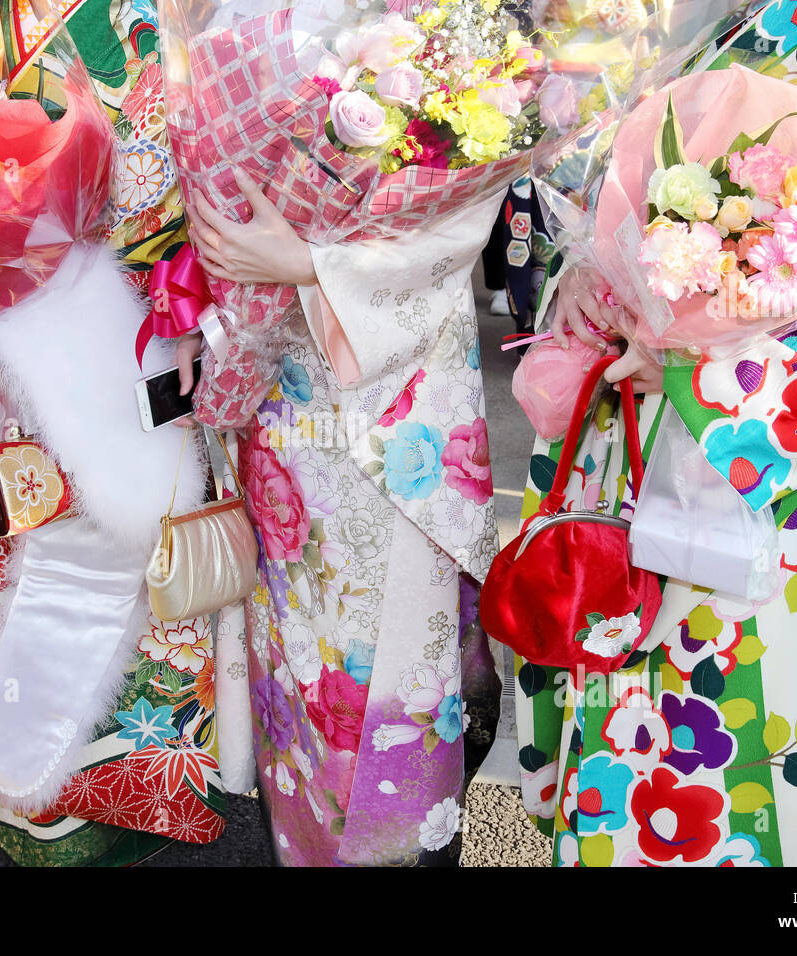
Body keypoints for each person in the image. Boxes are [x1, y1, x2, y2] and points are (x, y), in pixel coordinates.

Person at [512, 0, 797, 866]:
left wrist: (701, 374)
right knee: (608, 666)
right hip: (631, 418)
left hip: (737, 454)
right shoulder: (728, 23)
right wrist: (589, 289)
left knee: (717, 723)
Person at [0, 0, 227, 866]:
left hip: (132, 335)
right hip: (1, 355)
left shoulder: (162, 24)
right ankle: (25, 798)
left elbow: (190, 192)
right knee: (11, 555)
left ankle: (134, 795)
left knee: (135, 566)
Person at [182, 161, 505, 864]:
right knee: (294, 625)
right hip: (282, 379)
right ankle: (301, 837)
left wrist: (315, 264)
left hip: (395, 396)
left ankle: (395, 839)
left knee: (385, 625)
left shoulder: (455, 74)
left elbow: (459, 214)